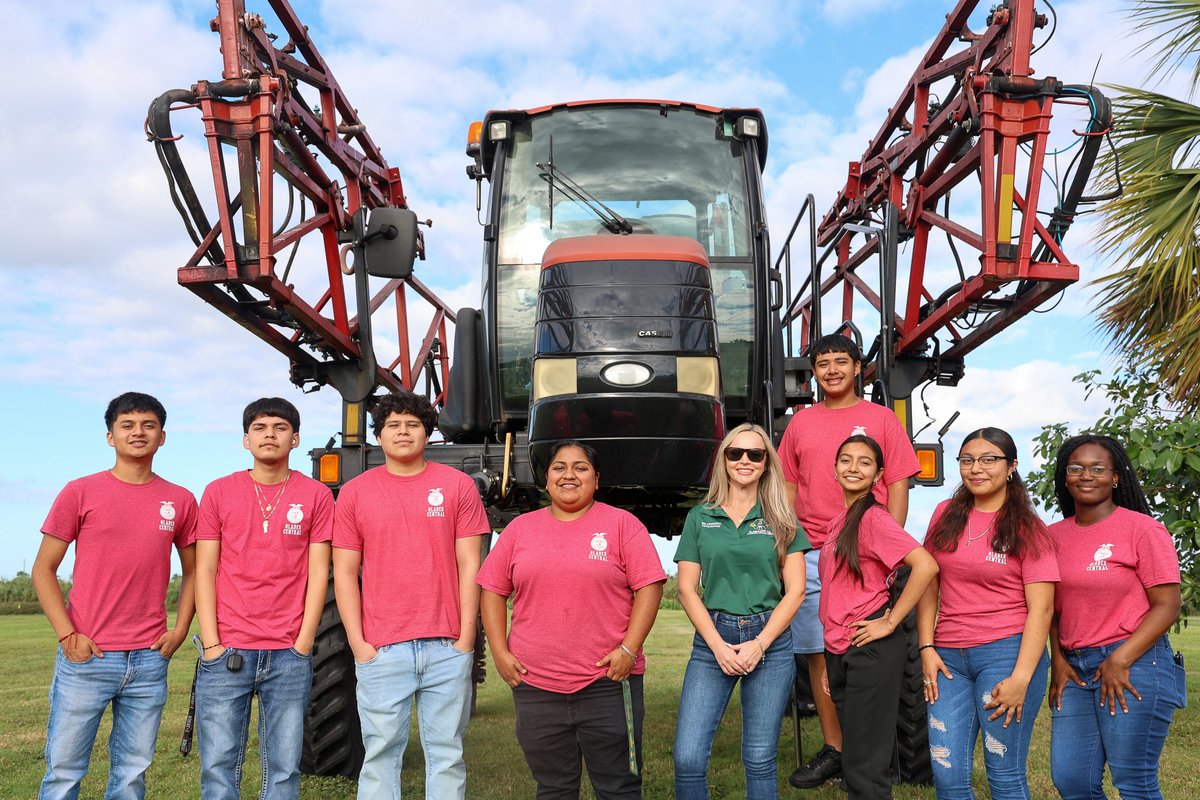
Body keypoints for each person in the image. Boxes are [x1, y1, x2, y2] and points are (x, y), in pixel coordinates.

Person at [32, 391, 198, 800]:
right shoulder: (80, 492)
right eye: (127, 425)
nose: (137, 432)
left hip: (148, 658)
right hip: (88, 655)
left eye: (148, 425)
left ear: (162, 437)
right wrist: (67, 635)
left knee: (131, 775)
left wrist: (179, 631)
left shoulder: (180, 500)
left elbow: (195, 571)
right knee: (64, 772)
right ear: (110, 437)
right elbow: (43, 570)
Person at [478, 441, 667, 799]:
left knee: (620, 787)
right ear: (546, 480)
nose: (569, 474)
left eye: (580, 468)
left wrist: (629, 648)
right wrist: (500, 653)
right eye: (559, 467)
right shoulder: (520, 530)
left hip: (609, 681)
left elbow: (650, 587)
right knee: (553, 787)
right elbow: (492, 590)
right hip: (536, 685)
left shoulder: (622, 525)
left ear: (596, 480)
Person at [778, 334, 921, 789]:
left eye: (842, 361)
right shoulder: (800, 423)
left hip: (865, 553)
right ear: (814, 372)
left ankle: (873, 753)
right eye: (823, 363)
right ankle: (837, 748)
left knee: (869, 650)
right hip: (815, 550)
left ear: (859, 368)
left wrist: (883, 546)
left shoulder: (880, 419)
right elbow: (788, 486)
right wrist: (787, 544)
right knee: (821, 652)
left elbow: (897, 482)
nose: (832, 370)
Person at [333, 391, 490, 799]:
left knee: (447, 755)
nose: (403, 432)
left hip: (446, 646)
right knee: (381, 755)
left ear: (427, 433)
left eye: (413, 424)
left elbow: (471, 565)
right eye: (393, 425)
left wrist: (466, 640)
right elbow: (345, 572)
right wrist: (359, 644)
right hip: (382, 649)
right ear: (380, 436)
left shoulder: (457, 487)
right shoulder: (354, 493)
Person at [194, 397, 334, 800]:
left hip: (289, 652)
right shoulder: (219, 492)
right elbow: (204, 569)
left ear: (295, 439)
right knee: (219, 764)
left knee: (285, 767)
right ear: (245, 440)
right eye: (259, 427)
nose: (269, 433)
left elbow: (317, 573)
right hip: (228, 650)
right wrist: (213, 644)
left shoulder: (316, 496)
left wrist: (304, 642)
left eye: (279, 427)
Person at [916, 428, 1058, 799]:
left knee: (1004, 773)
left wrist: (1021, 678)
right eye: (967, 460)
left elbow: (1042, 609)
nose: (976, 469)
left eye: (988, 460)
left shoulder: (1029, 528)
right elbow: (928, 582)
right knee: (947, 773)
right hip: (947, 659)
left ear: (1011, 466)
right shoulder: (945, 514)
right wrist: (926, 647)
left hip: (1005, 655)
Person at [672, 423, 810, 799]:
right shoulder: (700, 517)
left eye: (755, 454)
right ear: (724, 460)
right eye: (735, 453)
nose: (744, 460)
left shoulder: (782, 518)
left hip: (770, 641)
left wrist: (760, 644)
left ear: (766, 463)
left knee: (760, 756)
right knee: (687, 757)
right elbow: (686, 589)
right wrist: (717, 646)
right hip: (713, 639)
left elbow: (796, 591)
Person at [1047, 434, 1184, 799]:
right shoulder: (1051, 537)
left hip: (1134, 660)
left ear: (1116, 477)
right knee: (1071, 779)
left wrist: (1120, 659)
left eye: (1097, 468)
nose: (1086, 476)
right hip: (1074, 669)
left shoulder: (1142, 529)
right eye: (1076, 468)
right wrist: (1057, 661)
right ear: (1065, 477)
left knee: (1134, 782)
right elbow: (1051, 609)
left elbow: (1168, 605)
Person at [820, 435, 938, 800]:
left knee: (866, 769)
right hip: (844, 647)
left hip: (870, 647)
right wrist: (831, 655)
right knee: (856, 758)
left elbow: (925, 565)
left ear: (879, 475)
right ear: (835, 469)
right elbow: (836, 593)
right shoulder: (840, 520)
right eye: (846, 460)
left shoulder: (874, 519)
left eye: (864, 462)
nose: (853, 468)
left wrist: (889, 621)